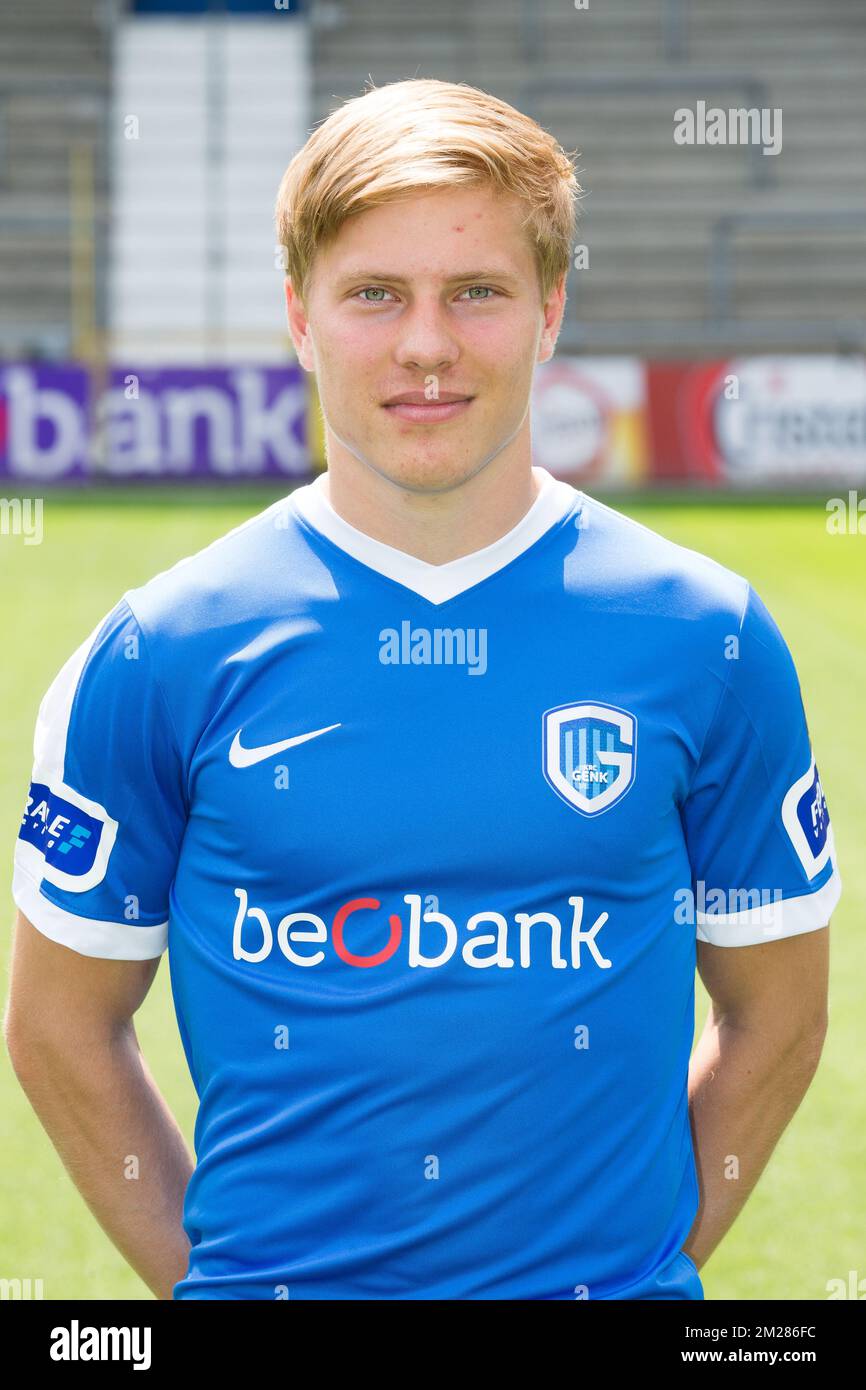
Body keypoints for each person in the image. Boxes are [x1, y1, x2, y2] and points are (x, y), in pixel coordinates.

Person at [5, 78, 840, 1300]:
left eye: (478, 293)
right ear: (299, 314)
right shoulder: (157, 653)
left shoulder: (703, 636)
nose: (426, 345)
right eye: (375, 294)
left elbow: (779, 1017)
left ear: (550, 311)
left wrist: (641, 1269)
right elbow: (57, 1026)